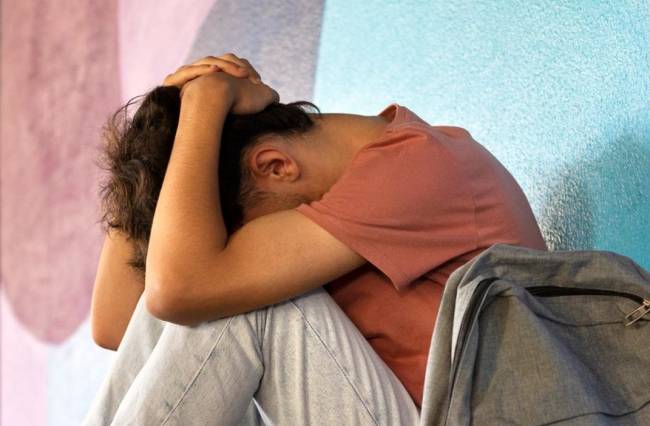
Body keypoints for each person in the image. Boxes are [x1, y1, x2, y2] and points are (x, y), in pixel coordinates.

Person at [84, 53, 547, 425]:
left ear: (275, 166)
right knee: (202, 289)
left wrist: (206, 101)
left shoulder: (418, 168)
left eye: (242, 234)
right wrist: (162, 131)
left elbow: (180, 287)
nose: (246, 247)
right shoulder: (364, 183)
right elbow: (117, 323)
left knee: (237, 301)